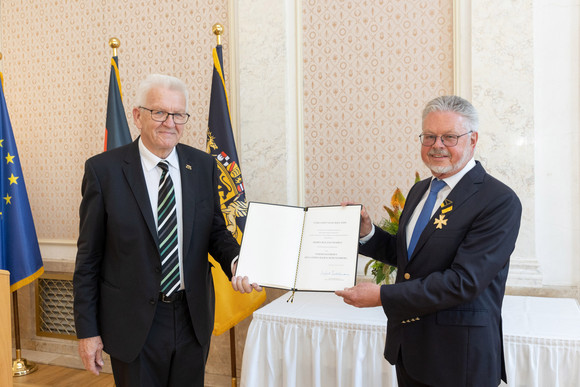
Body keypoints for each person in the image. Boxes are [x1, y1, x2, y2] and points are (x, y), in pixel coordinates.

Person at [73, 74, 260, 387]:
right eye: (159, 112)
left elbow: (214, 230)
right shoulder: (103, 171)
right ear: (137, 116)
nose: (169, 123)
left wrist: (236, 260)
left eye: (178, 115)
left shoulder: (202, 166)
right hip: (132, 323)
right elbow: (88, 258)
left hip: (191, 316)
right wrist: (88, 332)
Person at [336, 95, 521, 387]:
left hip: (460, 359)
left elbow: (464, 281)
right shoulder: (420, 190)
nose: (437, 145)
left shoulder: (498, 200)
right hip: (410, 350)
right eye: (430, 136)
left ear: (472, 140)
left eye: (449, 137)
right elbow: (413, 258)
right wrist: (367, 233)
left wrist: (383, 296)